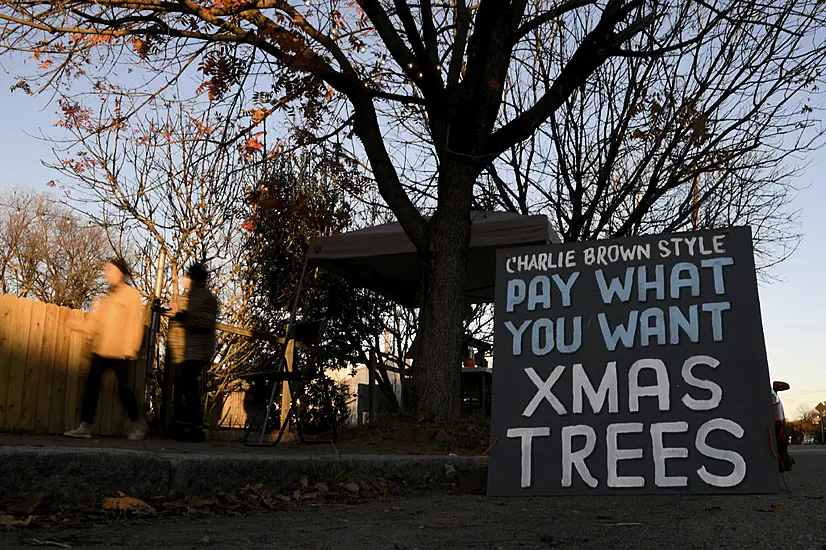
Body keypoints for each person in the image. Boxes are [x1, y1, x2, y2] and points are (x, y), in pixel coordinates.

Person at [64, 258, 149, 440]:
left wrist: (131, 348)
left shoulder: (131, 295)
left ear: (120, 272)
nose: (106, 274)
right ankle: (85, 426)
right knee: (91, 387)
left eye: (110, 270)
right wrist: (78, 326)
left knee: (123, 389)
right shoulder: (107, 298)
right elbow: (96, 324)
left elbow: (136, 323)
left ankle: (138, 423)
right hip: (101, 349)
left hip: (120, 350)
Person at [165, 262, 218, 442]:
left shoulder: (203, 297)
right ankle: (188, 424)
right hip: (188, 350)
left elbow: (204, 322)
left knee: (185, 383)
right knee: (185, 384)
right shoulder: (192, 296)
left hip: (197, 349)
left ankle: (192, 425)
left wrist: (182, 317)